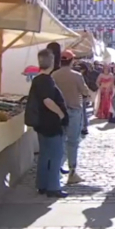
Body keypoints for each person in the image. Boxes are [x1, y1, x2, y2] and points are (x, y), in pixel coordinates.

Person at [29, 49, 68, 198]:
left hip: (42, 124)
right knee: (56, 155)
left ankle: (42, 184)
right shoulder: (46, 80)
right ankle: (53, 187)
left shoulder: (37, 80)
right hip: (51, 123)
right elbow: (47, 100)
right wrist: (61, 113)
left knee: (45, 155)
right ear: (51, 62)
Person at [52, 50, 89, 184]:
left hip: (58, 112)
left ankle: (56, 170)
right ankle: (72, 172)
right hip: (74, 111)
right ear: (72, 61)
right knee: (73, 142)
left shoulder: (54, 75)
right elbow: (85, 91)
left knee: (59, 141)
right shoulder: (77, 75)